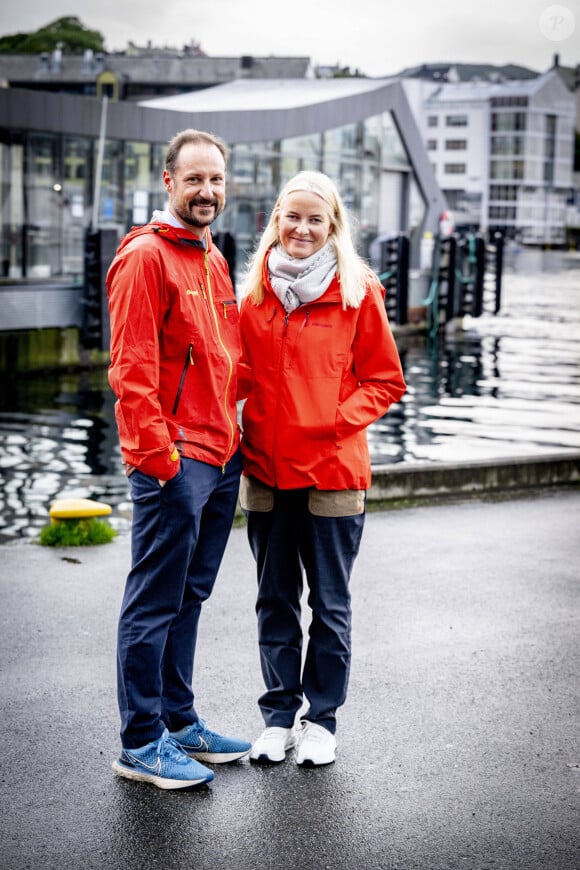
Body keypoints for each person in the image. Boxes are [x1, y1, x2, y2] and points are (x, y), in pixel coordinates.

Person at [237, 171, 406, 766]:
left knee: (329, 604)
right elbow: (239, 376)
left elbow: (387, 381)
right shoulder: (253, 294)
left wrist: (330, 420)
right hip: (265, 471)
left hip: (332, 472)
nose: (302, 228)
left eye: (315, 218)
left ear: (332, 225)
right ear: (275, 221)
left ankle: (322, 720)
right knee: (274, 599)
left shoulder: (358, 291)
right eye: (292, 216)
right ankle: (278, 716)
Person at [106, 129, 251, 790]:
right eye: (194, 179)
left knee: (190, 595)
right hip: (175, 462)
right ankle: (141, 741)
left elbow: (226, 357)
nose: (207, 192)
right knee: (155, 598)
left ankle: (178, 719)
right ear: (168, 181)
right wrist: (161, 463)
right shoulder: (146, 258)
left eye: (216, 180)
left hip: (220, 457)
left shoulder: (211, 257)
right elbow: (132, 375)